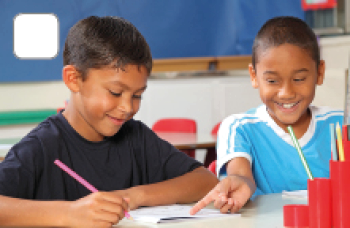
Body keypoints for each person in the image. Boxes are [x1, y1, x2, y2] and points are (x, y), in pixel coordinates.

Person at [0, 16, 218, 227]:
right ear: (73, 79)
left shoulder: (137, 137)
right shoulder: (41, 146)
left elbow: (206, 181)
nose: (127, 107)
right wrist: (70, 214)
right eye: (115, 92)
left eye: (137, 95)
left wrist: (132, 196)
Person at [190, 16, 343, 215]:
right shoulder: (239, 128)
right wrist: (240, 182)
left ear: (319, 73)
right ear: (254, 76)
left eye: (299, 79)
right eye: (272, 81)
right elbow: (240, 175)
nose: (286, 92)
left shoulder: (341, 124)